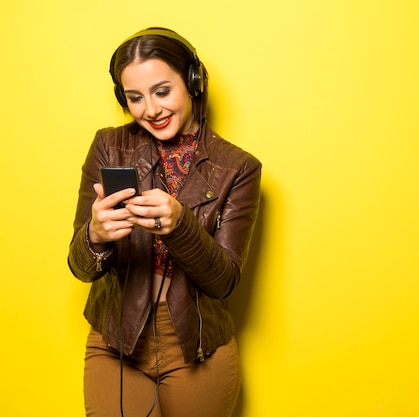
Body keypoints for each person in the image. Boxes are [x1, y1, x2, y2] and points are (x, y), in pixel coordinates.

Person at [68, 27, 261, 417]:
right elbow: (78, 266)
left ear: (193, 83)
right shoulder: (109, 145)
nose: (150, 110)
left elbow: (224, 283)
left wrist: (180, 225)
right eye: (135, 98)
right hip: (116, 339)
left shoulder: (239, 168)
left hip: (197, 347)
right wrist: (95, 235)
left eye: (162, 91)